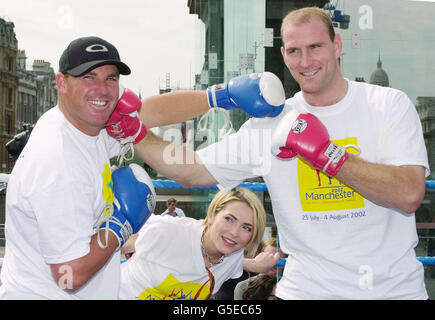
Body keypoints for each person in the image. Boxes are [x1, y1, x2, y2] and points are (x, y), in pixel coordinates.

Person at [109, 6, 430, 300]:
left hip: (391, 292)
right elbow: (192, 169)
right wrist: (135, 133)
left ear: (337, 45)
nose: (305, 61)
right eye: (294, 51)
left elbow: (409, 193)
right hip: (304, 291)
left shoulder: (387, 105)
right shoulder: (271, 124)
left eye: (315, 47)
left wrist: (327, 154)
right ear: (283, 54)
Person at [0, 36, 284, 300]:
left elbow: (147, 113)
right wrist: (119, 225)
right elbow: (68, 276)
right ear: (61, 83)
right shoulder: (58, 166)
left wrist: (221, 96)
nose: (102, 89)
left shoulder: (79, 125)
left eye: (110, 79)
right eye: (88, 77)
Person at [118, 188, 279, 300]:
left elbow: (227, 261)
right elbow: (115, 244)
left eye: (246, 227)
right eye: (229, 219)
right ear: (212, 215)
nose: (234, 233)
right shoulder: (169, 231)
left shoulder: (233, 255)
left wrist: (256, 266)